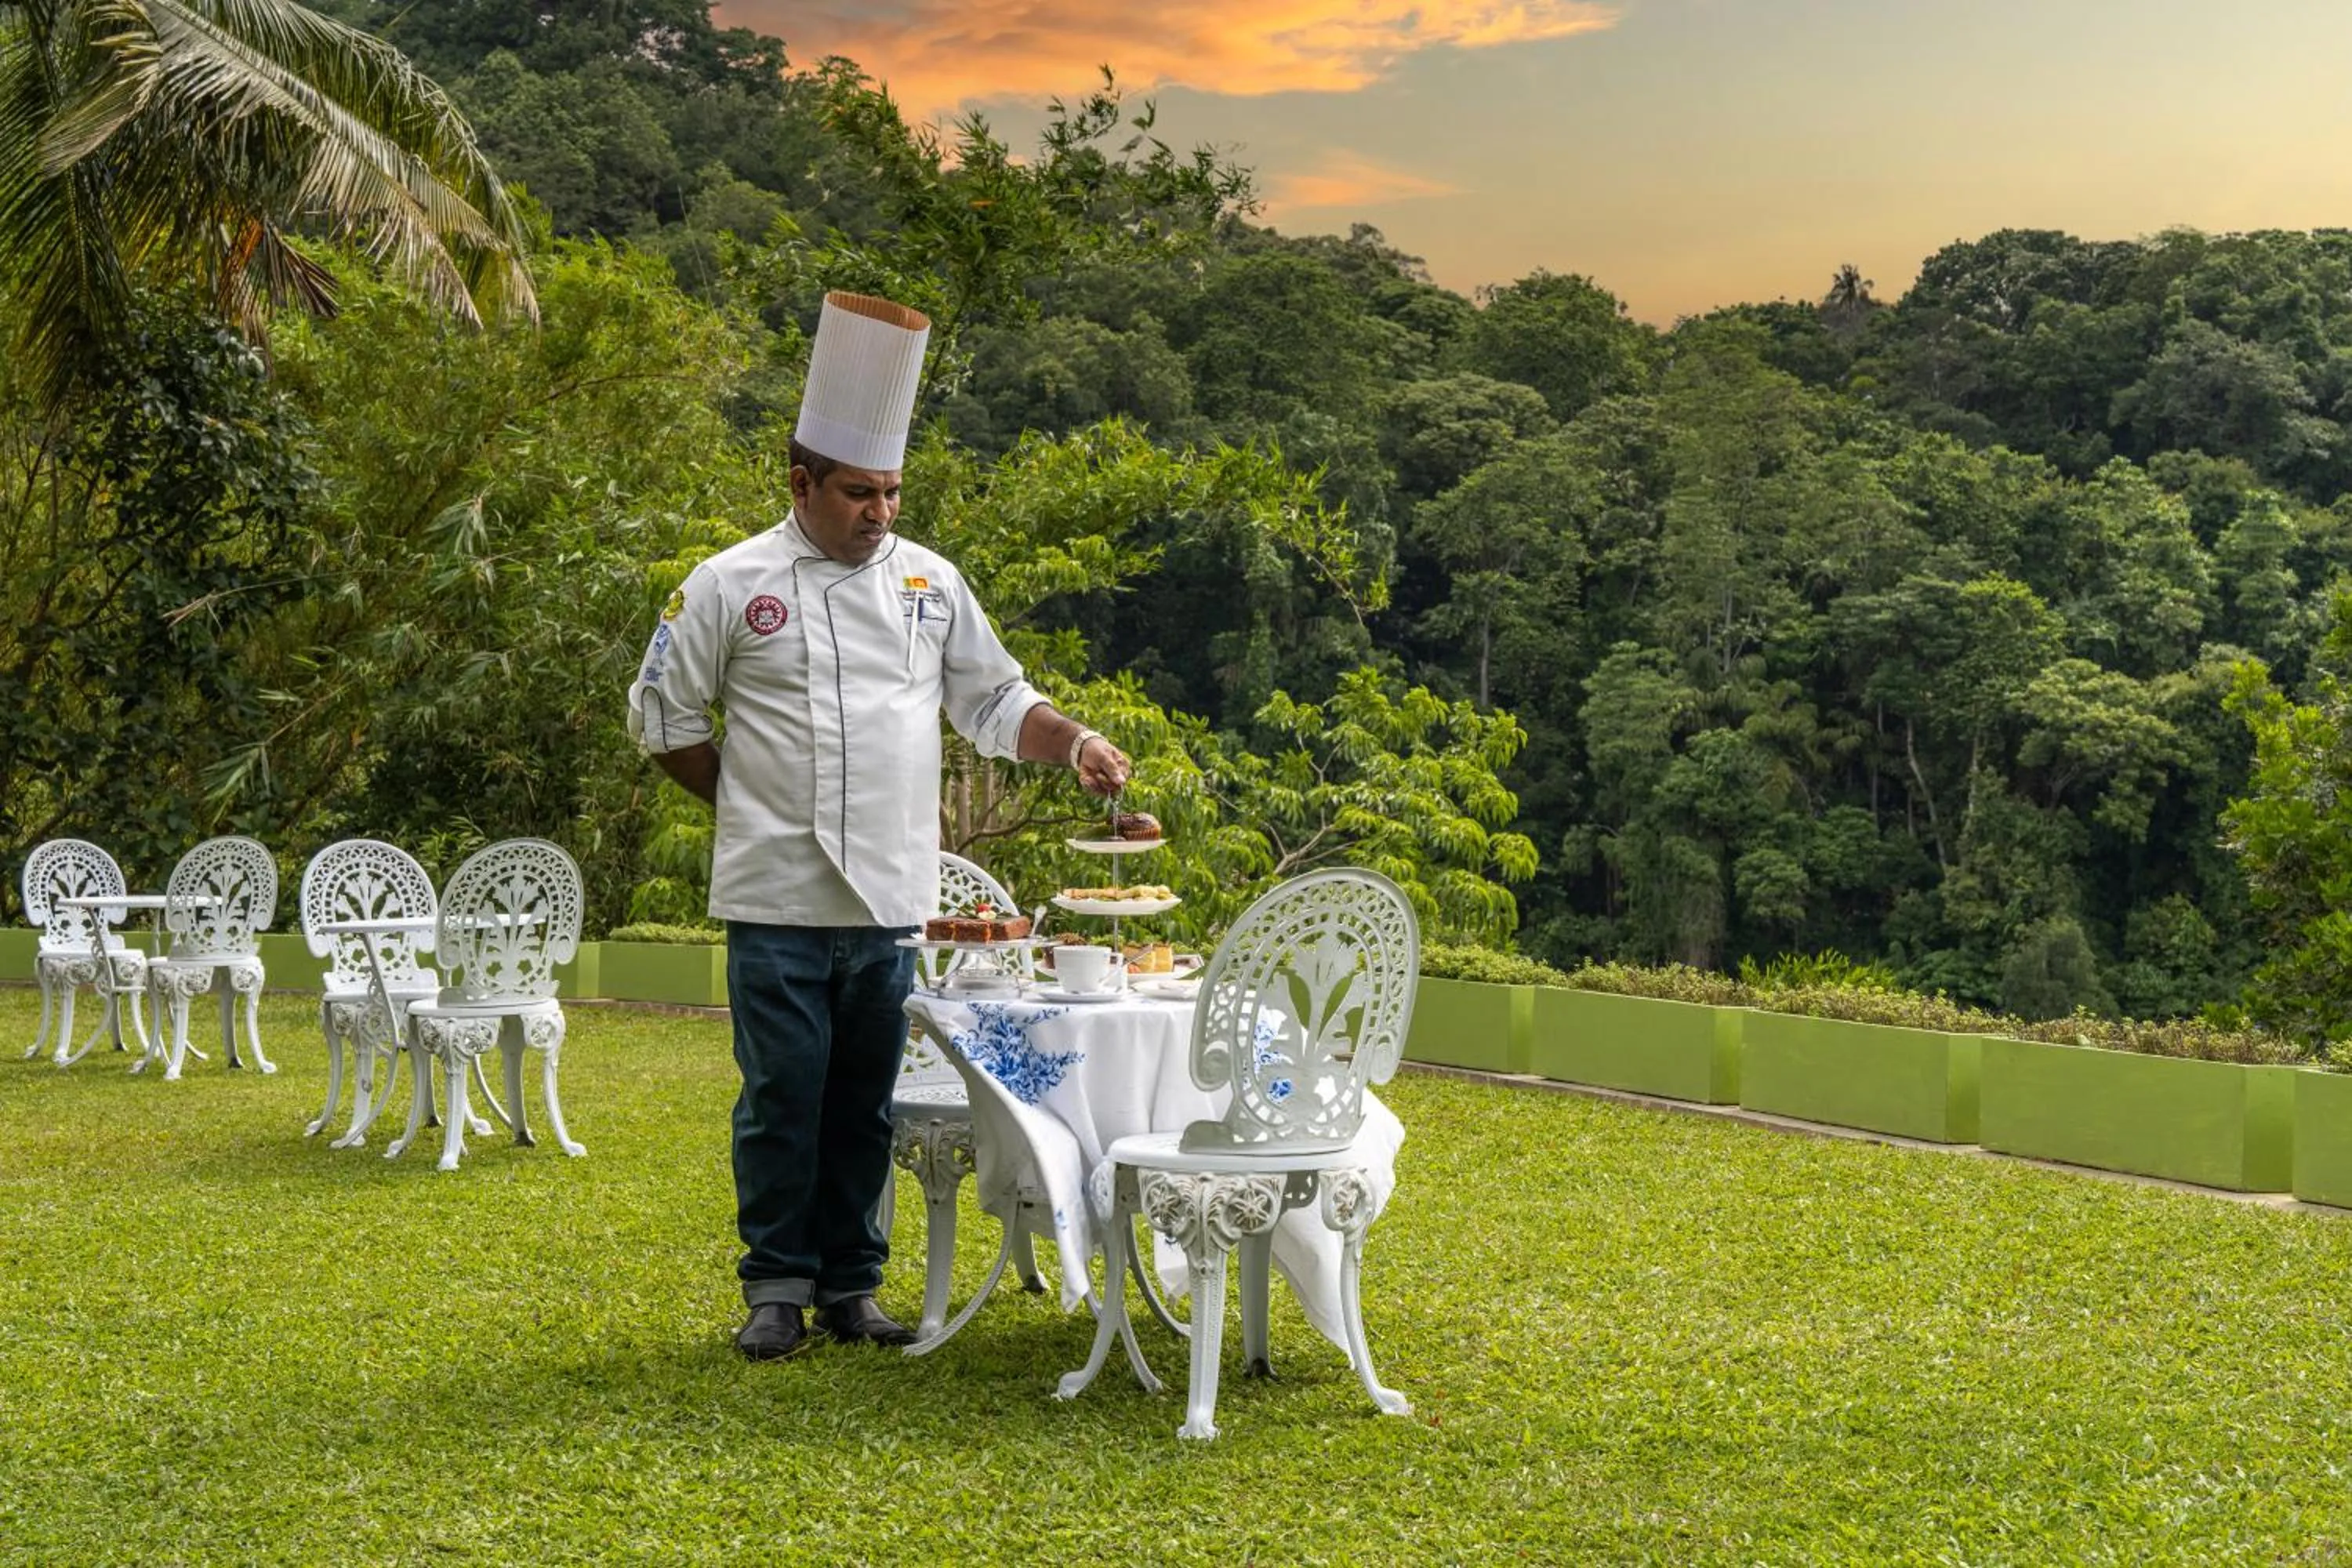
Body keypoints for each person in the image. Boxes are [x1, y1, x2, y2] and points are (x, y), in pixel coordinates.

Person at [626, 292, 1130, 1359]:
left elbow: (997, 703)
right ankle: (775, 1285)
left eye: (893, 491)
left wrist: (1075, 741)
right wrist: (748, 803)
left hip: (894, 894)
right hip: (774, 893)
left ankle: (852, 1286)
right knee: (781, 1098)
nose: (881, 511)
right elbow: (661, 718)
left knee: (866, 1102)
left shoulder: (929, 583)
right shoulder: (728, 584)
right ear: (801, 483)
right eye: (859, 491)